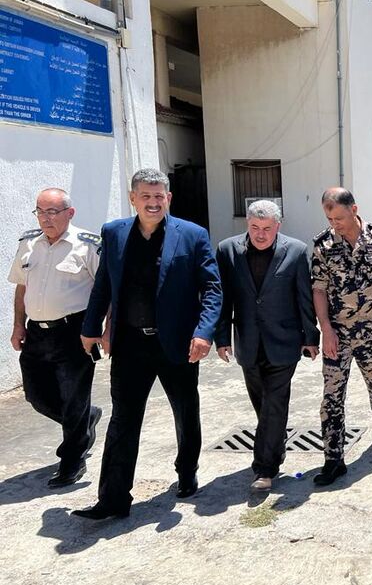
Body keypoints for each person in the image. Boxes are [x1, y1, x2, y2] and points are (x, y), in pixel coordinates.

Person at [74, 169, 222, 520]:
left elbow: (212, 288)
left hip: (178, 345)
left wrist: (204, 332)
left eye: (159, 196)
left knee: (185, 411)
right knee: (123, 420)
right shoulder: (114, 233)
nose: (153, 203)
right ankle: (113, 498)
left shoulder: (192, 235)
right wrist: (91, 327)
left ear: (168, 198)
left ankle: (186, 471)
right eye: (146, 196)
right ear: (133, 198)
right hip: (130, 345)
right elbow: (103, 284)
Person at [215, 200, 320, 491]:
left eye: (267, 229)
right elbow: (223, 298)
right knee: (262, 404)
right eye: (254, 228)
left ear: (278, 226)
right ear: (246, 224)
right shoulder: (227, 250)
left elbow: (304, 297)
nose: (260, 234)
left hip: (284, 342)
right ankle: (275, 443)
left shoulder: (296, 250)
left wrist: (310, 338)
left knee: (274, 402)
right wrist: (221, 338)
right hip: (248, 342)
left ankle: (264, 468)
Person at [8, 188, 103, 488]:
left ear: (69, 213)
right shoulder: (28, 244)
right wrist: (18, 325)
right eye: (40, 211)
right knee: (36, 396)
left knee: (74, 397)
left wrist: (101, 330)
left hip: (73, 331)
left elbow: (106, 291)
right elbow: (21, 287)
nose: (45, 218)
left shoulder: (88, 245)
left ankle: (72, 460)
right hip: (36, 331)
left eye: (52, 212)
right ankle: (87, 419)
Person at [311, 188, 372, 486]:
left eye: (338, 217)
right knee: (332, 395)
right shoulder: (323, 245)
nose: (334, 224)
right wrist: (325, 329)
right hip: (338, 334)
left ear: (354, 209)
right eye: (329, 219)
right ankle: (333, 458)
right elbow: (319, 289)